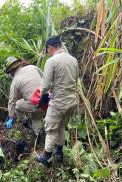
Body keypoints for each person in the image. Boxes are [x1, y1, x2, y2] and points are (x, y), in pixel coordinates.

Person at [36, 35, 79, 166]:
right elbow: (75, 80)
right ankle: (59, 153)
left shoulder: (52, 61)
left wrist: (41, 97)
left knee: (50, 129)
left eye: (47, 49)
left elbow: (45, 86)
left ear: (51, 47)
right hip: (71, 102)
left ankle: (46, 158)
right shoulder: (73, 60)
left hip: (58, 103)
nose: (47, 52)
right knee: (61, 127)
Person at [5, 56, 45, 136]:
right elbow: (45, 79)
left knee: (17, 105)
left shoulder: (15, 80)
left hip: (34, 104)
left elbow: (12, 101)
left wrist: (11, 117)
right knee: (36, 116)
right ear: (19, 64)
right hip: (46, 101)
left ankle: (25, 123)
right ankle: (37, 135)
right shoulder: (33, 67)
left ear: (11, 71)